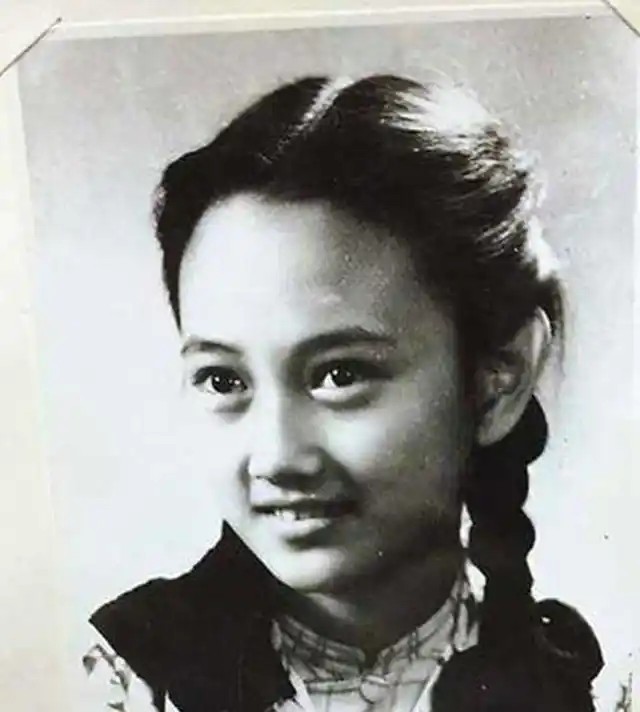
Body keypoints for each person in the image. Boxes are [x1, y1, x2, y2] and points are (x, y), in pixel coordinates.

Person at [83, 74, 603, 711]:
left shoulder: (592, 691)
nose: (277, 457)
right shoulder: (118, 688)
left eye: (340, 375)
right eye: (224, 381)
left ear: (498, 380)